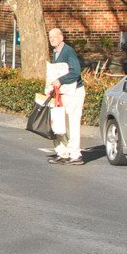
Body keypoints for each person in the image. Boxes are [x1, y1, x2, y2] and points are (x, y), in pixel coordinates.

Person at [45, 26, 85, 166]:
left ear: (62, 37)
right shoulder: (56, 52)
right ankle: (63, 153)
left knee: (72, 123)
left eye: (54, 37)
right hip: (62, 92)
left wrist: (60, 80)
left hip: (74, 92)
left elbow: (75, 72)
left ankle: (75, 155)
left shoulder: (68, 51)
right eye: (50, 37)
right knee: (60, 122)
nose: (52, 39)